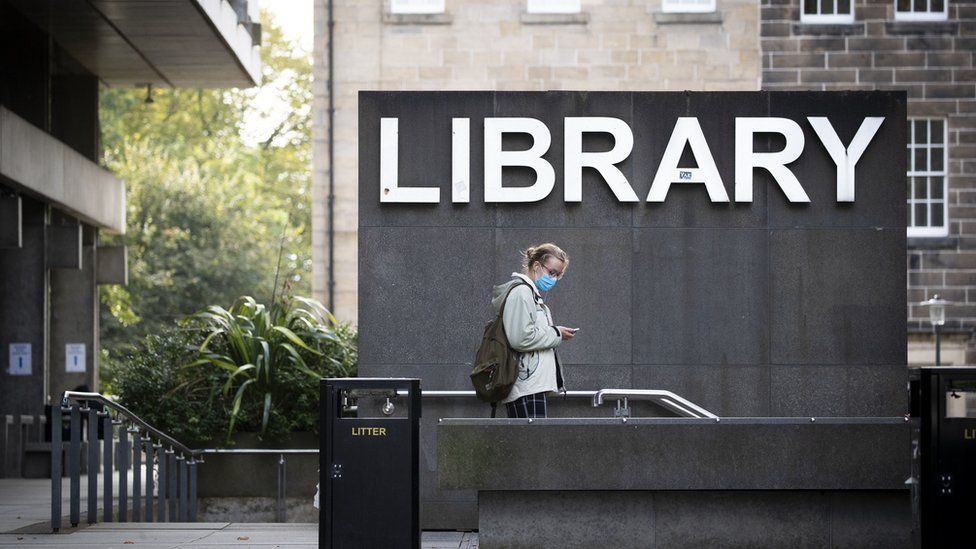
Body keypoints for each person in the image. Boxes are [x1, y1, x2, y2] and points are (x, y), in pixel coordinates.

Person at [490, 243, 577, 418]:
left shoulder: (529, 294)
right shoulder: (522, 293)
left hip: (531, 384)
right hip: (526, 385)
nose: (553, 279)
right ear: (537, 266)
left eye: (558, 275)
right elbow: (520, 338)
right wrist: (556, 333)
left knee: (530, 443)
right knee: (530, 444)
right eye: (551, 272)